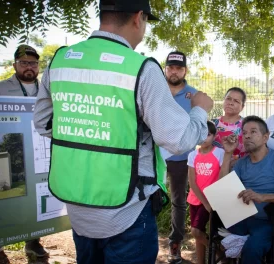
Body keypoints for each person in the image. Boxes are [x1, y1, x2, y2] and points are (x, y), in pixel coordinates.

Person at [33, 0, 213, 263]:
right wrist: (200, 110)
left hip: (77, 205)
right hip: (127, 209)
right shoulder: (141, 68)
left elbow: (43, 123)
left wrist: (86, 128)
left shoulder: (60, 61)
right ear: (138, 18)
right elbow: (177, 139)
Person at [0, 44, 49, 261]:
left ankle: (33, 243)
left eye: (33, 63)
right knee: (1, 198)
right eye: (24, 63)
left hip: (40, 151)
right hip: (14, 150)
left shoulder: (46, 89)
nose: (29, 67)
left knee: (38, 195)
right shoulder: (0, 88)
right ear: (15, 65)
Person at [219, 116, 274, 263]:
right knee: (215, 235)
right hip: (241, 217)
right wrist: (228, 153)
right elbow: (223, 187)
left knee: (251, 250)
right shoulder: (242, 163)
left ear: (265, 137)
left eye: (253, 131)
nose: (247, 135)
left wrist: (263, 197)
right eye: (244, 133)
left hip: (268, 220)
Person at [163, 51, 198, 263]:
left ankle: (174, 244)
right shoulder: (155, 91)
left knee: (178, 202)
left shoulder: (193, 95)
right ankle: (142, 238)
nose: (174, 71)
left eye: (178, 68)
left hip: (180, 158)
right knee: (146, 196)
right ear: (165, 69)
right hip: (154, 156)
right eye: (170, 67)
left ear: (185, 70)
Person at [187, 121, 224, 264]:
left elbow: (223, 177)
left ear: (214, 137)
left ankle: (219, 254)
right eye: (201, 134)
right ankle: (202, 261)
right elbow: (192, 182)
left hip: (212, 199)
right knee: (198, 233)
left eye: (208, 134)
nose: (204, 138)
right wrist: (204, 202)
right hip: (195, 199)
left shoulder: (219, 153)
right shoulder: (193, 155)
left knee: (196, 231)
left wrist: (209, 203)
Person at [212, 87, 247, 165]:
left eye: (236, 101)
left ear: (242, 107)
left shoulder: (246, 125)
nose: (230, 103)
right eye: (228, 99)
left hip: (237, 168)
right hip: (213, 168)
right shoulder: (213, 123)